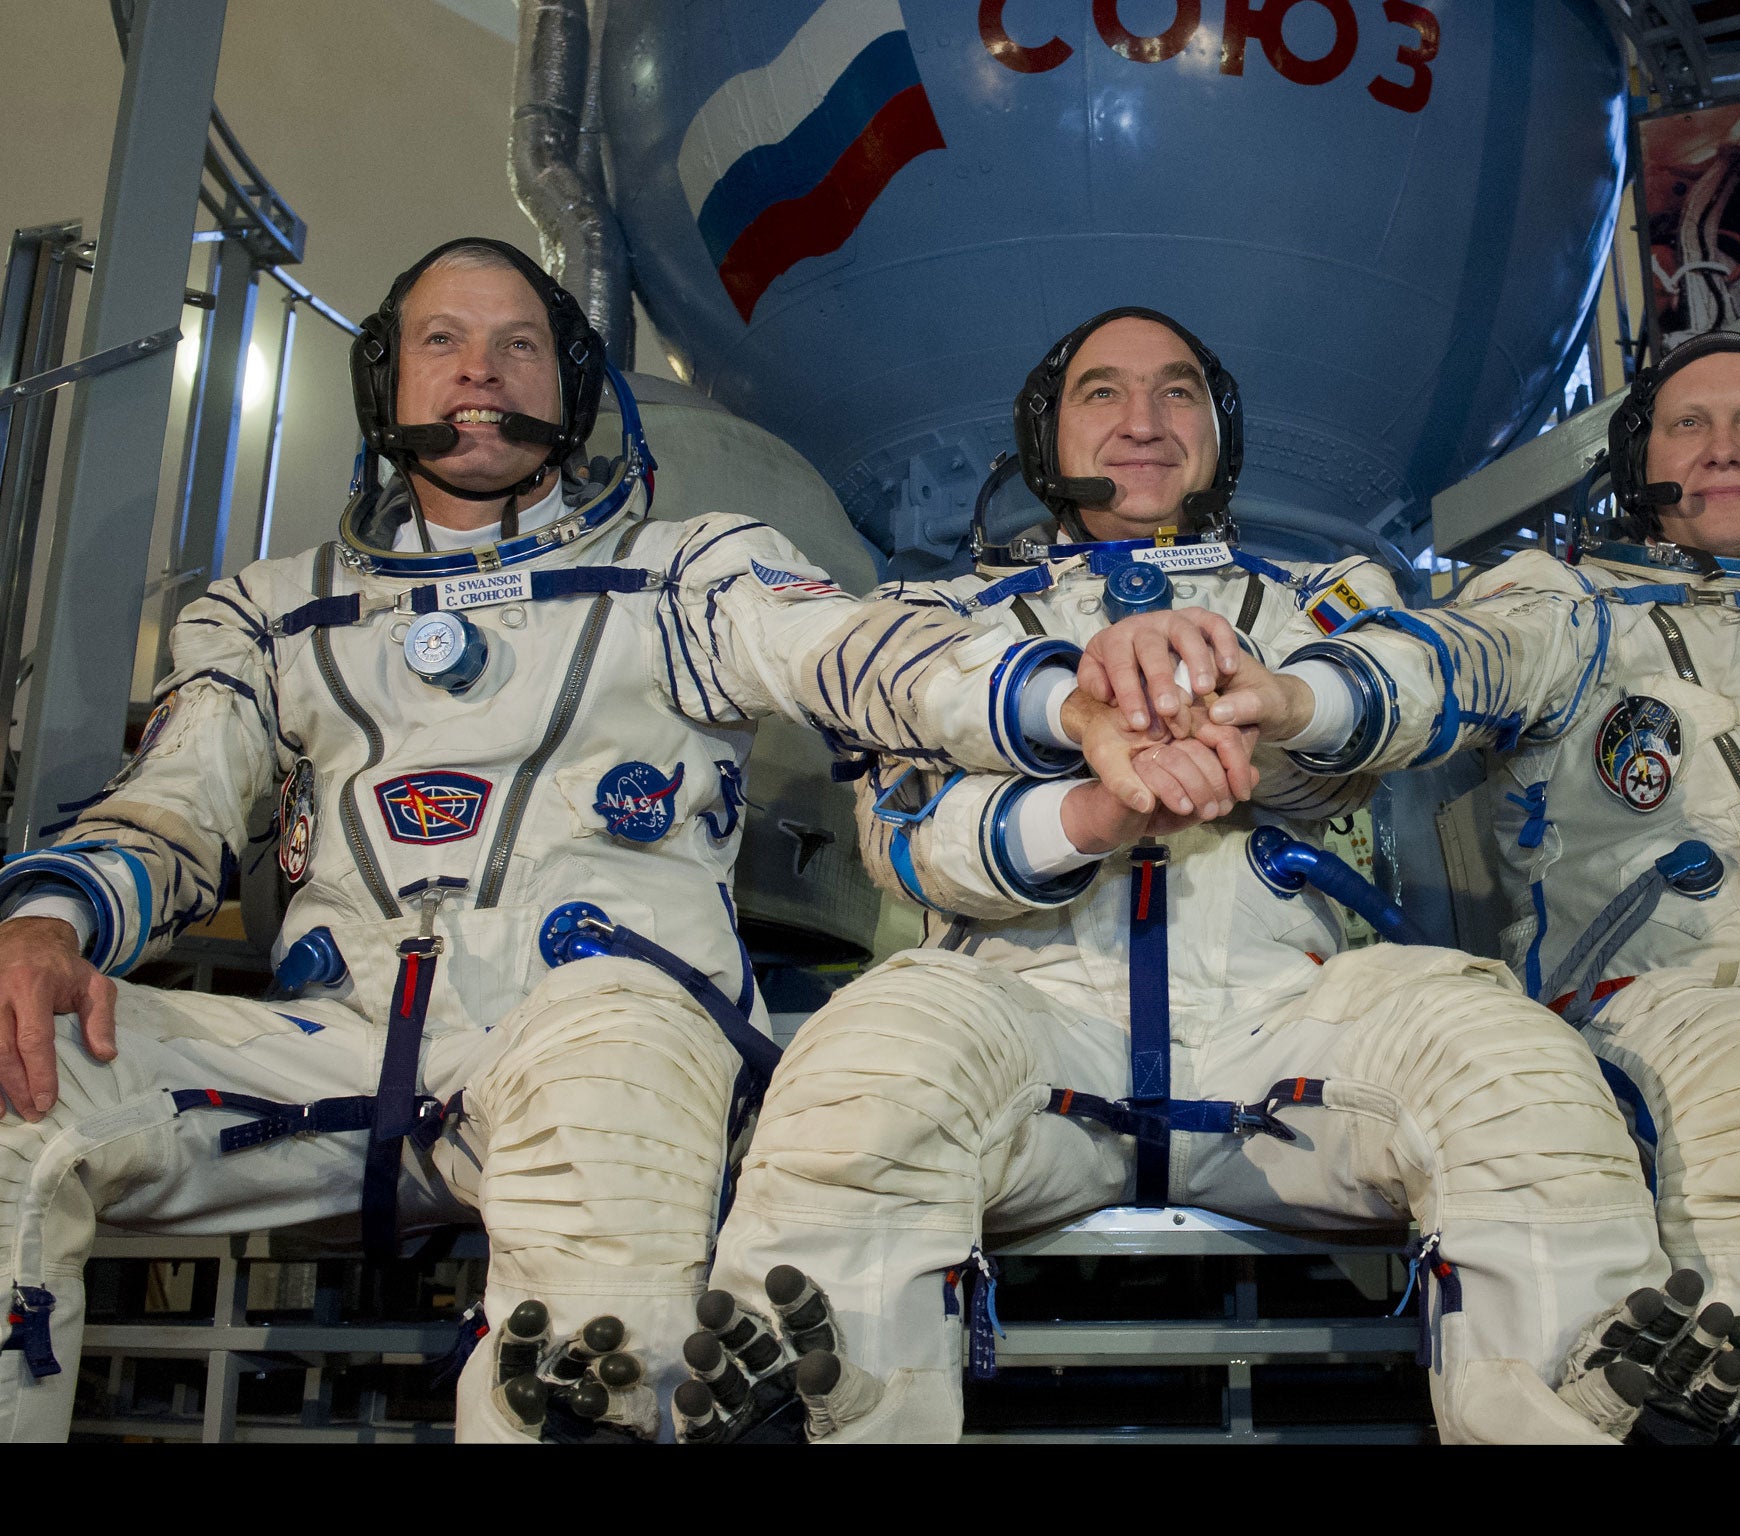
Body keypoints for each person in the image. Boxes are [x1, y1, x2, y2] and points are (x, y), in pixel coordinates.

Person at [0, 240, 1170, 1443]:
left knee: (607, 1077)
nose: (480, 372)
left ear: (569, 384)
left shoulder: (688, 572)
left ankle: (583, 1405)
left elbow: (859, 655)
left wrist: (1056, 702)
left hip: (596, 1037)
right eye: (442, 342)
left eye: (518, 345)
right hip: (333, 1048)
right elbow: (169, 806)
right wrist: (48, 924)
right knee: (14, 1068)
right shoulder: (267, 613)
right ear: (383, 383)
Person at [693, 307, 1704, 1447]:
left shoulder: (1321, 600)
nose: (1142, 420)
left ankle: (1590, 1409)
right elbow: (907, 832)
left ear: (1218, 431)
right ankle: (822, 1409)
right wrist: (1096, 808)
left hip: (1286, 1025)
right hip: (1024, 1021)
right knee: (870, 1059)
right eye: (1101, 393)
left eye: (1177, 392)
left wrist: (1277, 711)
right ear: (1045, 433)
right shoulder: (948, 622)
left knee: (1501, 1054)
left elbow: (1384, 721)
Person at [1180, 330, 1740, 1443]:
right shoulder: (1569, 611)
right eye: (1688, 425)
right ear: (1641, 463)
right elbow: (1446, 663)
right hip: (1655, 1035)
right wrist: (1303, 702)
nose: (1723, 447)